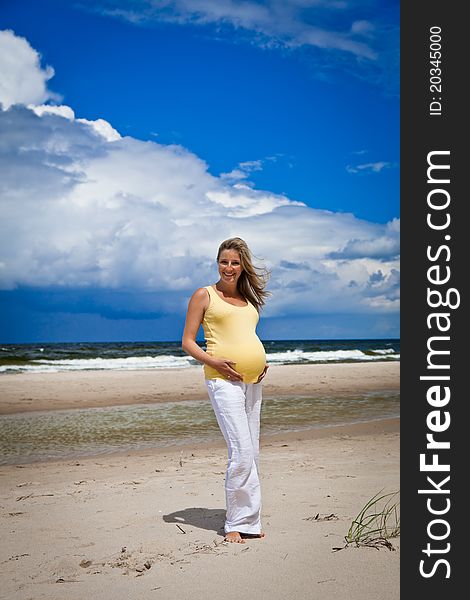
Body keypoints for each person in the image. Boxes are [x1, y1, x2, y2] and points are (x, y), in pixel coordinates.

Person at [182, 237, 270, 544]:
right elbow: (188, 342)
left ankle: (251, 520)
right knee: (241, 452)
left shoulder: (249, 302)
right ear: (217, 263)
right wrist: (215, 362)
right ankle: (234, 523)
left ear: (242, 265)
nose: (228, 268)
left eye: (234, 262)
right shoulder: (204, 295)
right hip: (222, 380)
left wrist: (261, 364)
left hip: (252, 381)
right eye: (223, 261)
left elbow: (246, 336)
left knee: (253, 452)